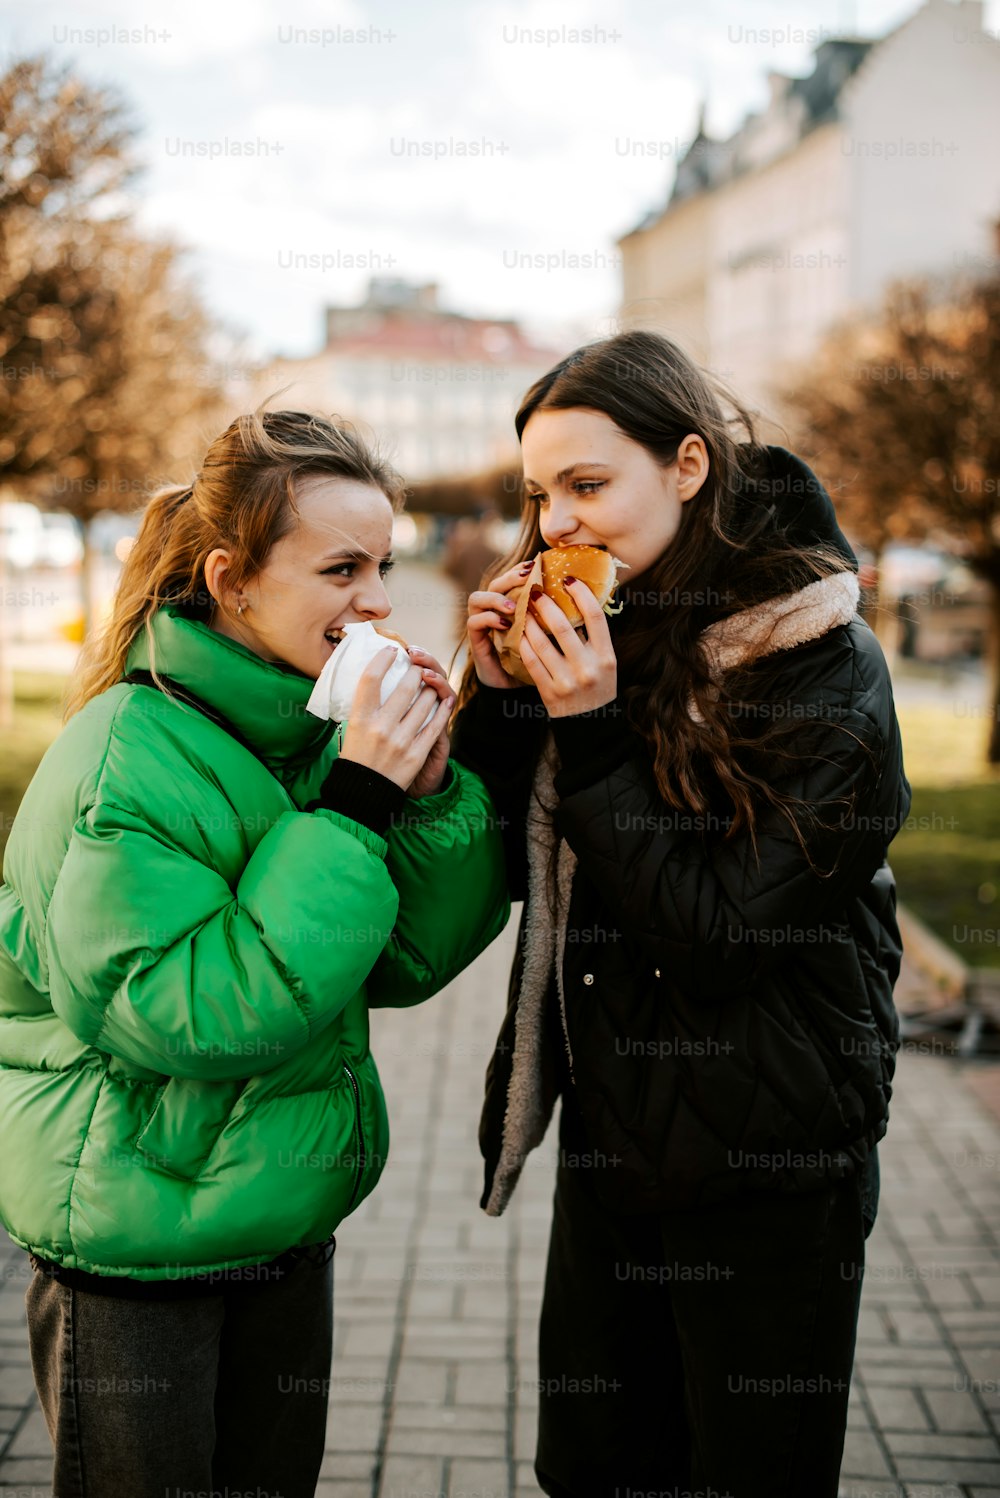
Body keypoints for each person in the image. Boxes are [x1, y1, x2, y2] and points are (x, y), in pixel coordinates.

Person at [0, 408, 509, 1498]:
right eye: (341, 567)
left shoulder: (307, 733)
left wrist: (421, 799)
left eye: (380, 563)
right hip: (137, 1258)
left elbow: (402, 961)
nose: (376, 597)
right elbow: (190, 1009)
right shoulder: (124, 756)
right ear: (232, 579)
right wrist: (355, 801)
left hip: (281, 1237)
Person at [450, 331, 912, 1498]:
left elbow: (719, 941)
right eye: (540, 493)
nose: (554, 522)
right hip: (615, 1154)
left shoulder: (824, 665)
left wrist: (591, 727)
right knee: (595, 1472)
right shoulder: (609, 629)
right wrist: (501, 710)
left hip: (770, 1166)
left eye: (588, 486)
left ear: (690, 465)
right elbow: (512, 870)